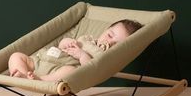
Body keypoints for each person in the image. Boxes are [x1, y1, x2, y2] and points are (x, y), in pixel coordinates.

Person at [8, 19, 143, 82]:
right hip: (41, 60)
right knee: (16, 56)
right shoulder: (87, 38)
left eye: (116, 44)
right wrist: (67, 42)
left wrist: (82, 55)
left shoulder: (103, 56)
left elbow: (90, 69)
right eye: (110, 35)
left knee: (70, 72)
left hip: (58, 70)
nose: (109, 42)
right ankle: (23, 75)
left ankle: (39, 81)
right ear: (105, 30)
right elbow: (62, 44)